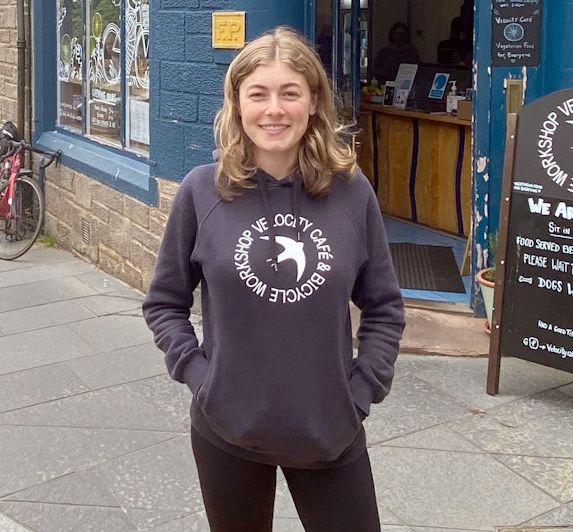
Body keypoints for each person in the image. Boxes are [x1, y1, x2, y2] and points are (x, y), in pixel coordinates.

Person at [143, 26, 404, 532]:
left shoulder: (352, 193)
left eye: (290, 93)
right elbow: (164, 303)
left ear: (314, 102)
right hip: (227, 433)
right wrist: (202, 379)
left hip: (329, 433)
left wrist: (361, 391)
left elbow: (384, 307)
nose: (274, 110)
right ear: (238, 104)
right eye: (258, 94)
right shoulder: (202, 192)